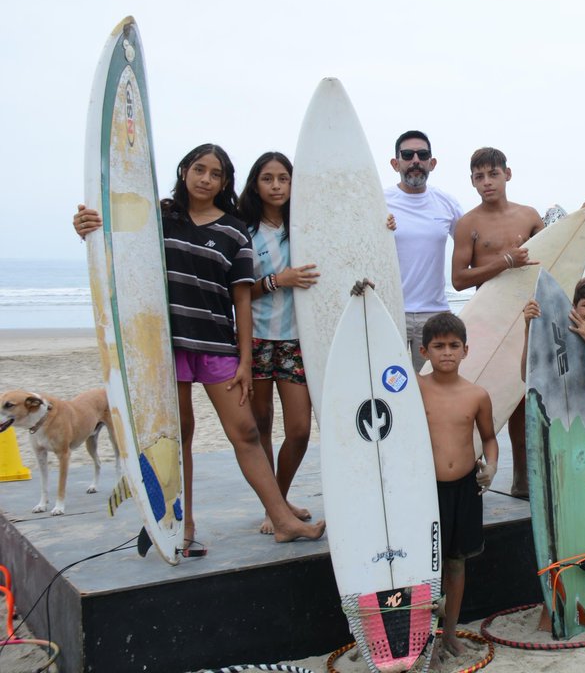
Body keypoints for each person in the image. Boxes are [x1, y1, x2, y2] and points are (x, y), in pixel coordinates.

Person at [74, 144, 326, 552]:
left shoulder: (232, 230)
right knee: (180, 435)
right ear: (185, 171)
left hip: (216, 343)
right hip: (164, 345)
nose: (205, 179)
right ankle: (183, 526)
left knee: (244, 430)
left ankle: (281, 519)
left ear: (225, 182)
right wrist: (89, 224)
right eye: (199, 169)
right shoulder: (161, 216)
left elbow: (241, 298)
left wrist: (245, 360)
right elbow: (118, 242)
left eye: (215, 173)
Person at [521, 275, 585, 631]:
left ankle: (582, 599)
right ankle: (552, 605)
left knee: (583, 520)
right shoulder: (556, 338)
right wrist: (529, 329)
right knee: (556, 522)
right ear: (573, 307)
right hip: (555, 442)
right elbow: (529, 376)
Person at [450, 147, 542, 497]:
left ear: (508, 174)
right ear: (472, 181)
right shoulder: (469, 223)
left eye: (493, 174)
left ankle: (522, 478)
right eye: (479, 177)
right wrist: (505, 261)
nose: (487, 182)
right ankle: (466, 472)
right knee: (476, 392)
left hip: (525, 316)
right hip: (486, 318)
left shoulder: (530, 216)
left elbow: (552, 259)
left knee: (520, 396)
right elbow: (459, 279)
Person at [236, 151, 318, 535]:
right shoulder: (244, 230)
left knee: (300, 429)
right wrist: (275, 281)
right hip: (255, 339)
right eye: (268, 179)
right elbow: (235, 291)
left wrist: (383, 223)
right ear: (256, 184)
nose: (276, 186)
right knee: (262, 425)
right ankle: (276, 508)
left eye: (283, 178)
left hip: (296, 340)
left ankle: (279, 500)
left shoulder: (304, 226)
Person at [415, 312, 498, 661]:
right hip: (424, 489)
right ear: (424, 352)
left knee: (456, 563)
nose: (446, 352)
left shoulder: (477, 395)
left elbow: (490, 438)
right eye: (438, 346)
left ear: (466, 350)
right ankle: (425, 639)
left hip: (464, 488)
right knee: (424, 567)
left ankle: (449, 632)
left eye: (453, 346)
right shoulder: (413, 388)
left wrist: (491, 466)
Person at [385, 130, 463, 362]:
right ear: (395, 162)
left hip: (435, 313)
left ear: (432, 162)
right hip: (391, 312)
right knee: (391, 386)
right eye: (408, 155)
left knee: (435, 390)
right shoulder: (379, 202)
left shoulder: (447, 203)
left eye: (422, 154)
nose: (415, 160)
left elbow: (473, 244)